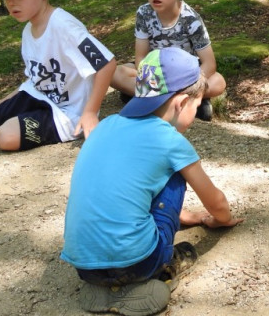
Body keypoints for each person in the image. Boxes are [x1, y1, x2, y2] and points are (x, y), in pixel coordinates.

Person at [61, 47, 243, 316]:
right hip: (138, 262)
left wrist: (185, 215)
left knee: (144, 173)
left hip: (84, 266)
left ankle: (104, 287)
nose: (194, 116)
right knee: (177, 173)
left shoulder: (106, 125)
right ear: (182, 103)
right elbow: (215, 201)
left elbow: (128, 187)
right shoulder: (169, 140)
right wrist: (222, 219)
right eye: (196, 106)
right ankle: (160, 271)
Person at [0, 0, 116, 151]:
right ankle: (16, 117)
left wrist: (89, 112)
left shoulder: (64, 26)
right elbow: (34, 80)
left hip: (67, 113)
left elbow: (106, 64)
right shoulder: (28, 30)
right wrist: (3, 101)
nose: (12, 3)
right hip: (37, 96)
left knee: (5, 137)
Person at [111, 0, 225, 121]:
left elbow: (209, 64)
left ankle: (151, 96)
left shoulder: (191, 19)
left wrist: (187, 83)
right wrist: (151, 77)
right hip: (155, 70)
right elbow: (141, 58)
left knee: (218, 82)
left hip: (185, 74)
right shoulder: (144, 13)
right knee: (115, 73)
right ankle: (183, 100)